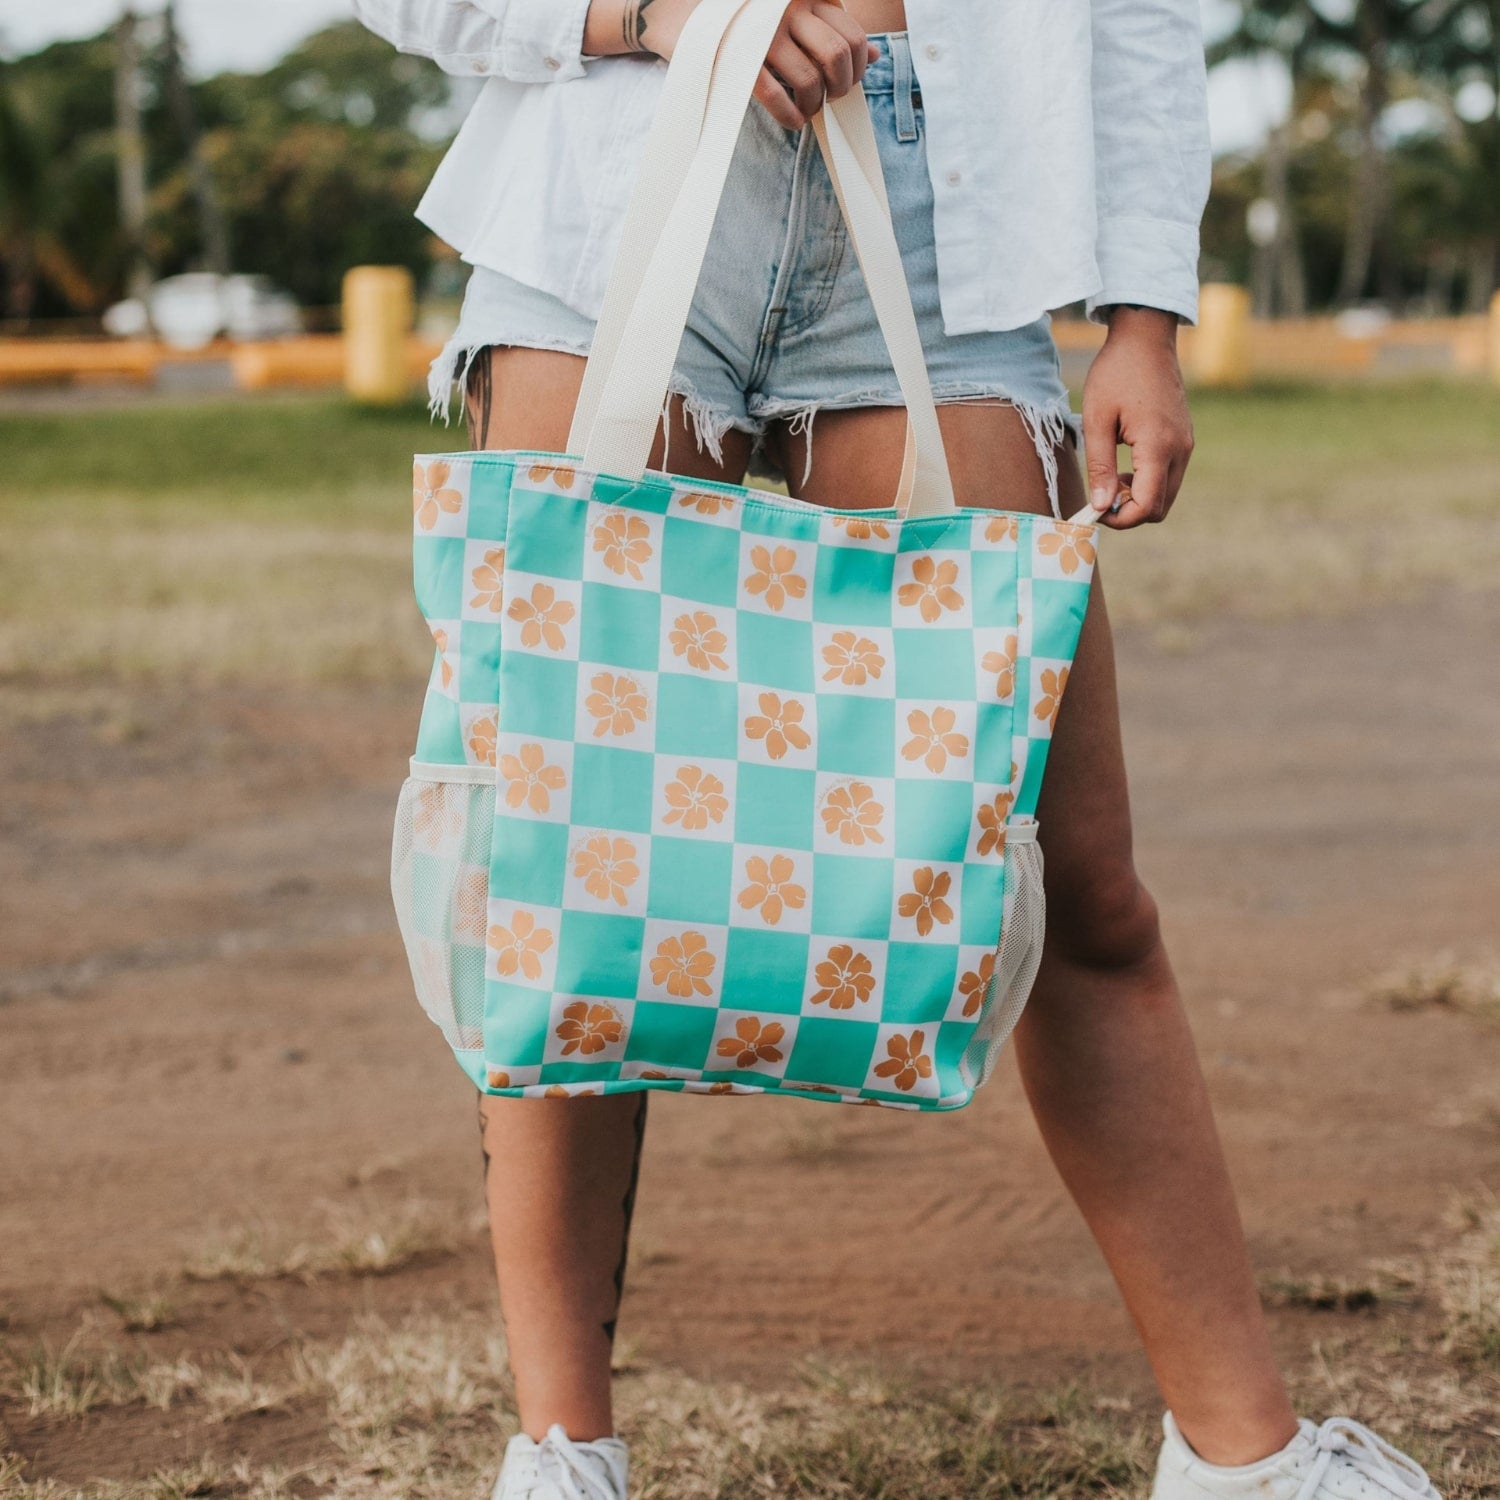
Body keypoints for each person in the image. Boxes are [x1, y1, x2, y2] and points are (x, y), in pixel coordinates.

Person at [355, 3, 1441, 1497]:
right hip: (622, 166)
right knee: (574, 859)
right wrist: (646, 11)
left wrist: (1143, 318)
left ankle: (1242, 1461)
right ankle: (563, 1457)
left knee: (1081, 882)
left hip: (954, 215)